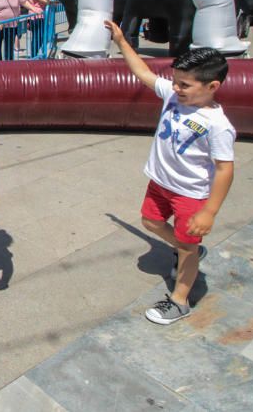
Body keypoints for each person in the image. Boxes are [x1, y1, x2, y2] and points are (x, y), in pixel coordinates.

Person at [105, 20, 234, 325]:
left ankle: (179, 300)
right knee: (150, 221)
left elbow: (225, 169)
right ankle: (186, 247)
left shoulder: (218, 125)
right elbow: (143, 73)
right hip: (160, 183)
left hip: (191, 194)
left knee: (188, 249)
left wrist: (210, 212)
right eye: (175, 81)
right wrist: (122, 41)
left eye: (185, 85)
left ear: (212, 86)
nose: (176, 88)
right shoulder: (173, 96)